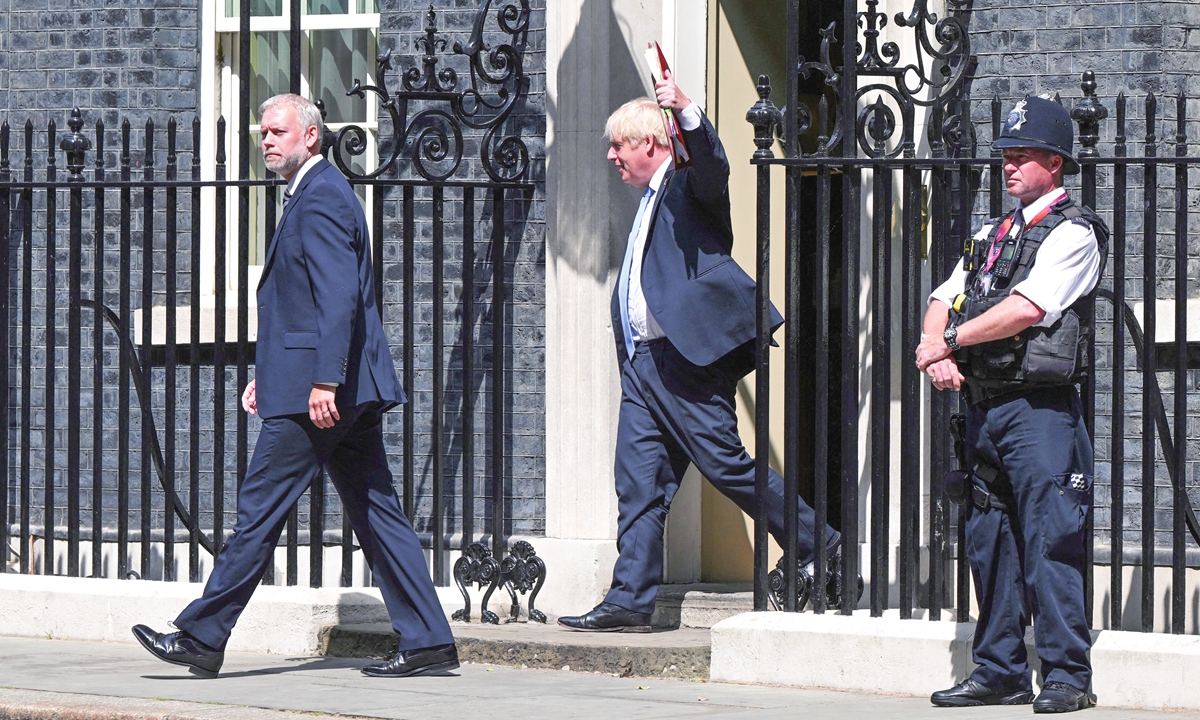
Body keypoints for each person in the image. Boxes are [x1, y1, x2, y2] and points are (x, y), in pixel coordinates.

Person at [132, 94, 458, 679]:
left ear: (312, 136)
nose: (266, 139)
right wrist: (269, 374)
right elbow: (300, 306)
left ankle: (203, 635)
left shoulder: (322, 197)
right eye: (262, 131)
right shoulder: (314, 194)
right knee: (378, 511)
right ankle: (429, 639)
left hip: (324, 395)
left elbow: (338, 302)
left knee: (259, 511)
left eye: (277, 130)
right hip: (329, 388)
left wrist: (322, 382)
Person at [557, 70, 842, 633]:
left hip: (686, 360)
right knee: (637, 483)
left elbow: (714, 164)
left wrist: (687, 109)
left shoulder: (689, 185)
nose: (612, 155)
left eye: (619, 144)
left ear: (651, 144)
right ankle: (629, 599)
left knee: (725, 464)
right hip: (643, 363)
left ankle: (821, 544)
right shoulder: (646, 198)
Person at [916, 96, 1105, 713]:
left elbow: (1028, 308)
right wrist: (934, 343)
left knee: (1052, 540)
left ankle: (1067, 676)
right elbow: (946, 293)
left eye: (1022, 156)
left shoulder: (1074, 232)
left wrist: (949, 341)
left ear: (1056, 163)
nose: (1010, 166)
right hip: (984, 406)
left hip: (1040, 412)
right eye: (1005, 156)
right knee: (989, 538)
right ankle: (998, 669)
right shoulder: (991, 233)